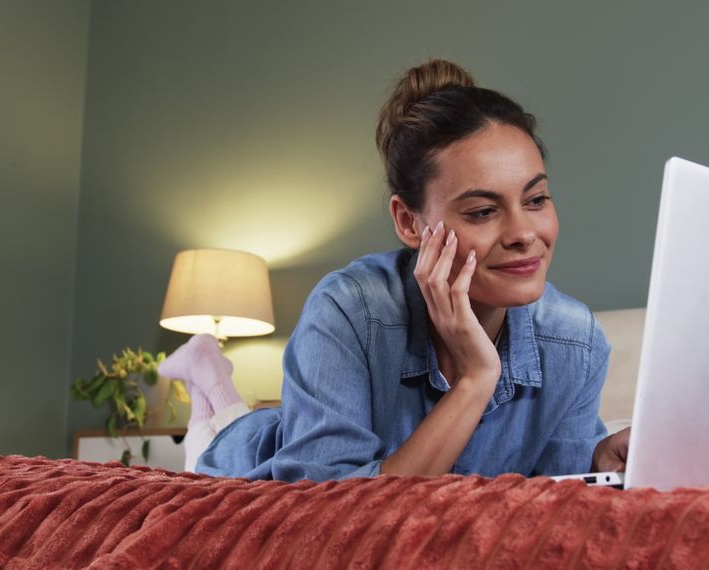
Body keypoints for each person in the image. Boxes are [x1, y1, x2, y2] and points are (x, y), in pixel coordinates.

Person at [158, 59, 630, 482]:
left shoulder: (575, 341)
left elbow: (553, 493)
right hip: (254, 462)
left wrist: (597, 462)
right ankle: (209, 377)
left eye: (535, 199)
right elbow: (330, 519)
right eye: (483, 211)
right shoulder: (349, 311)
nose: (524, 233)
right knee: (214, 435)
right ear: (409, 221)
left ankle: (207, 369)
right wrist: (475, 379)